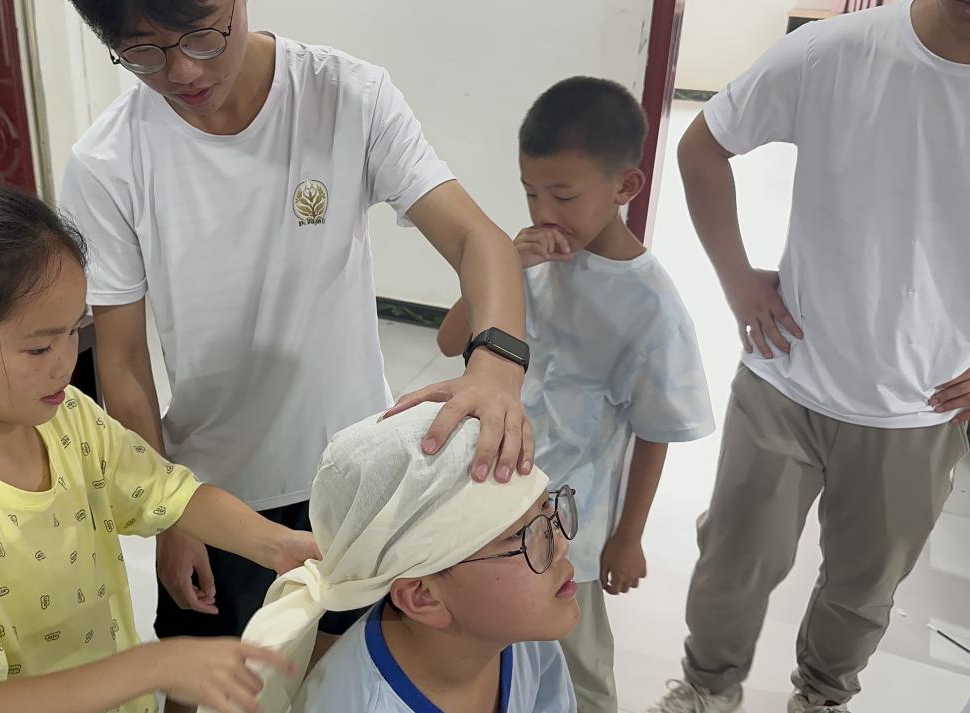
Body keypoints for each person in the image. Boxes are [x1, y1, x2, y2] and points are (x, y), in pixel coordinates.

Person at [60, 2, 537, 699]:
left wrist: (495, 366)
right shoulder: (108, 161)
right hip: (215, 493)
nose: (183, 71)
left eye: (202, 35)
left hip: (353, 481)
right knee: (211, 688)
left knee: (343, 683)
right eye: (144, 53)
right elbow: (125, 365)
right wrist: (169, 516)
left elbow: (475, 237)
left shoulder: (345, 96)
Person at [0, 180, 321, 713]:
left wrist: (276, 544)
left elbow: (170, 493)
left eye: (73, 331)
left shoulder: (67, 417)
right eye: (39, 347)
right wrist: (153, 666)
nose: (66, 362)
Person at [645, 2, 970, 712]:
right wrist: (736, 281)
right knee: (732, 561)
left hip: (920, 403)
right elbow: (702, 146)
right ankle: (706, 689)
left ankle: (821, 699)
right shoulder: (834, 51)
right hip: (786, 373)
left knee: (862, 591)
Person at [437, 77, 715, 713]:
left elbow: (656, 433)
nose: (543, 212)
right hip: (489, 495)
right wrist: (504, 265)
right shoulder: (529, 262)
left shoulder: (651, 307)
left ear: (625, 187)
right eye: (531, 192)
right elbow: (453, 339)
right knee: (490, 641)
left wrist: (628, 537)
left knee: (576, 661)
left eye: (563, 195)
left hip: (570, 526)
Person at [228, 402, 580, 713]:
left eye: (547, 507)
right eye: (520, 535)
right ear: (422, 596)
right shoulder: (354, 702)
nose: (561, 543)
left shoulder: (517, 639)